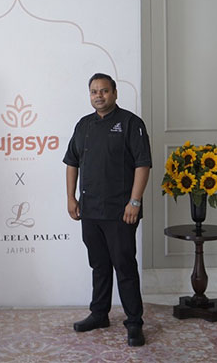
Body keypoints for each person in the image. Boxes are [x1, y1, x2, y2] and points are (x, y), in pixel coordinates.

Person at [63, 73, 152, 347]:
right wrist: (71, 198)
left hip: (121, 210)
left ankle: (134, 322)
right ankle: (99, 313)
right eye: (93, 92)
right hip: (90, 210)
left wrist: (134, 202)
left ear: (114, 93)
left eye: (103, 91)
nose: (98, 96)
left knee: (124, 266)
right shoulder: (83, 125)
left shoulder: (130, 124)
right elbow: (72, 163)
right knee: (99, 265)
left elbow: (143, 164)